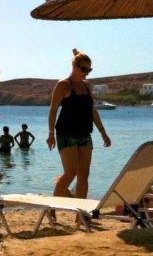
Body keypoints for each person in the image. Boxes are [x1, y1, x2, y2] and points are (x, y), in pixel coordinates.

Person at [47, 49, 111, 199]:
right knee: (70, 172)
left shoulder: (86, 86)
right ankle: (52, 207)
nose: (86, 73)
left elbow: (92, 110)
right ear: (74, 66)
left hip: (84, 133)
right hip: (66, 133)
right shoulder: (63, 86)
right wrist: (51, 135)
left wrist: (103, 132)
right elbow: (53, 111)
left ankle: (80, 214)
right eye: (84, 69)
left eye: (89, 70)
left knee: (84, 175)